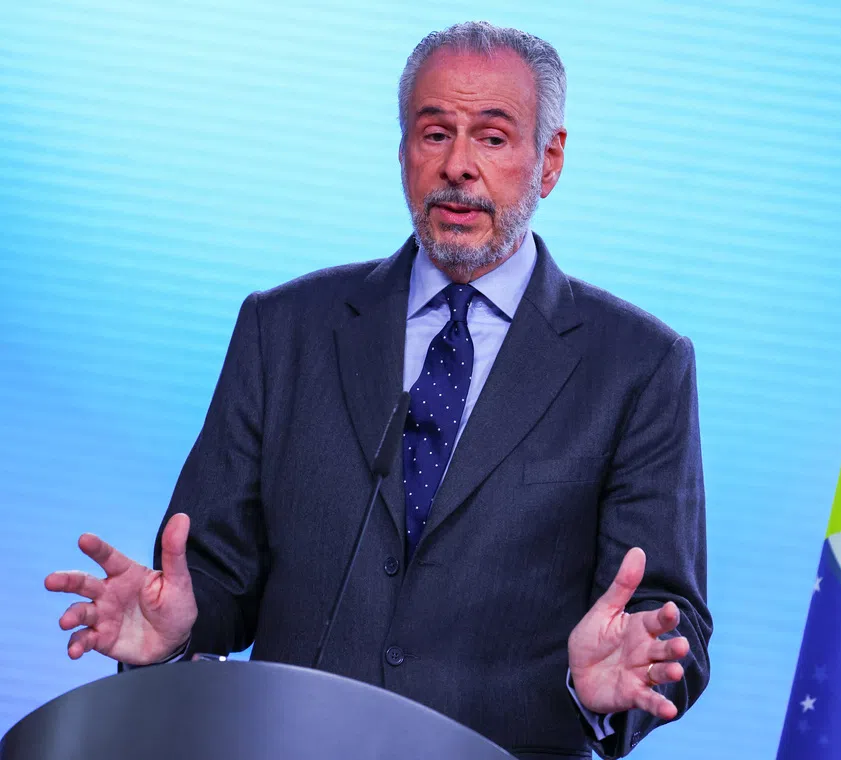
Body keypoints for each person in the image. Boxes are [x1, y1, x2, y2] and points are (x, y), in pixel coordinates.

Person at [44, 21, 711, 760]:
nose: (458, 166)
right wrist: (174, 633)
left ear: (548, 160)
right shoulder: (285, 329)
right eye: (434, 134)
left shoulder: (639, 366)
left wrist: (609, 689)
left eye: (492, 138)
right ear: (402, 150)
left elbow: (664, 619)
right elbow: (213, 578)